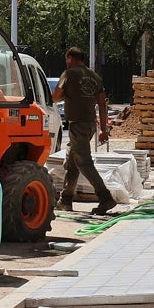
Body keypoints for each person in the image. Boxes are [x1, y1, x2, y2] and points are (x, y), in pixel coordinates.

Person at [51, 47, 116, 216]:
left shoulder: (69, 74)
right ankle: (65, 200)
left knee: (84, 163)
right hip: (89, 126)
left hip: (77, 126)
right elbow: (102, 104)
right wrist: (104, 129)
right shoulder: (95, 77)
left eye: (67, 61)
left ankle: (105, 197)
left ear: (70, 59)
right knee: (72, 163)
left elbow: (55, 97)